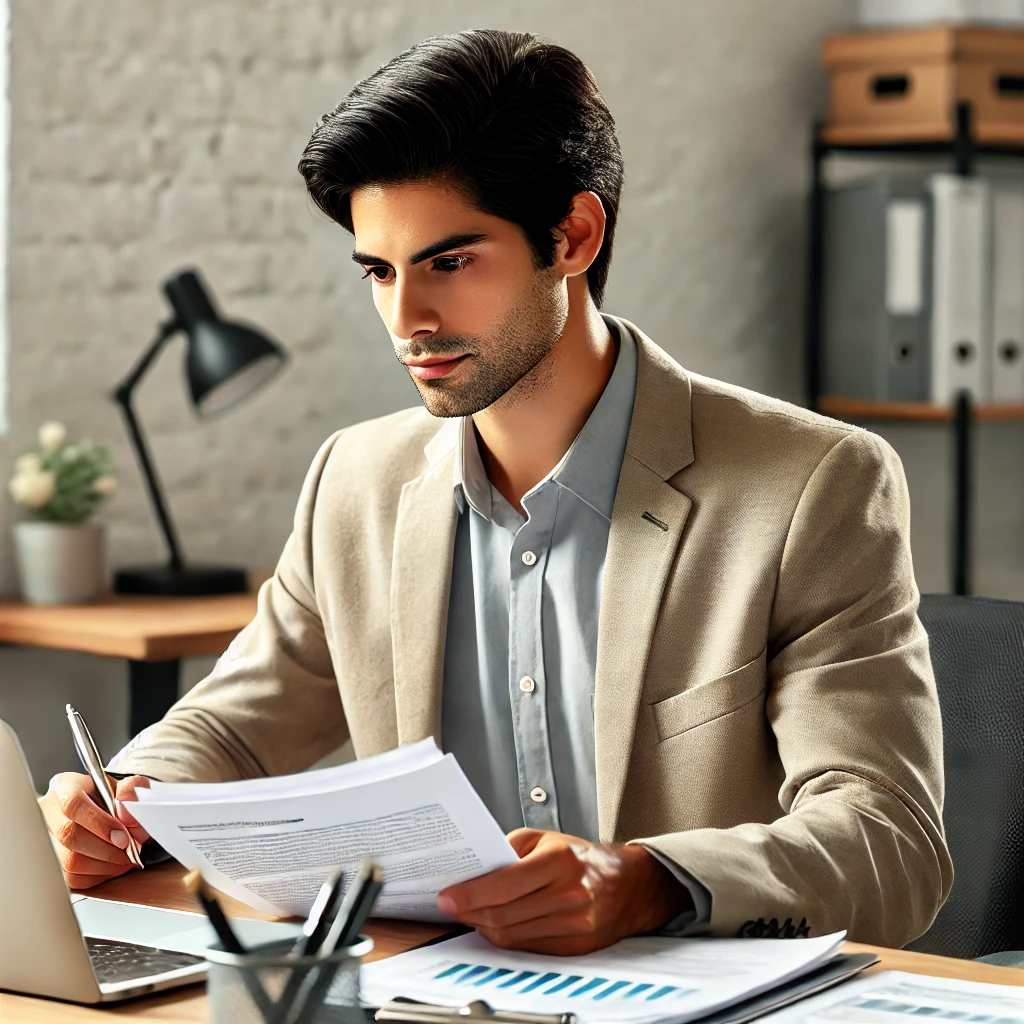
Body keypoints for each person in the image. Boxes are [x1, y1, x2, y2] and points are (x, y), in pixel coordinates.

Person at [40, 28, 952, 955]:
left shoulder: (813, 484)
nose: (407, 321)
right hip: (429, 994)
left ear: (573, 236)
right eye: (379, 272)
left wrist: (646, 883)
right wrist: (121, 801)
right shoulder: (355, 483)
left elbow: (890, 841)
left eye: (448, 262)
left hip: (686, 997)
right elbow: (230, 729)